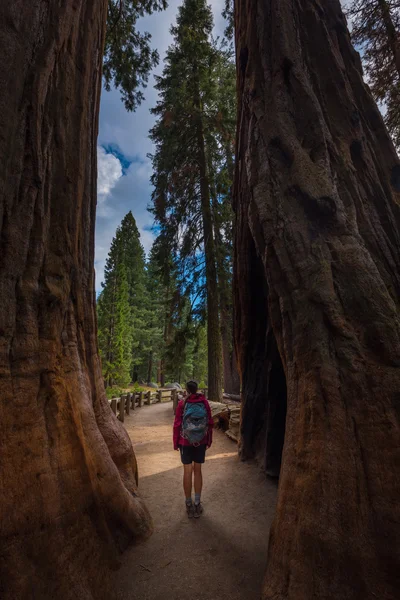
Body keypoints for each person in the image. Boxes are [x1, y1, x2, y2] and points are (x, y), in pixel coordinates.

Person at [173, 380, 213, 518]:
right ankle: (197, 503)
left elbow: (177, 424)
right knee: (198, 470)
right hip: (200, 441)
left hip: (185, 442)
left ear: (187, 390)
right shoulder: (204, 402)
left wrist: (175, 442)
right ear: (196, 390)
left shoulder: (182, 404)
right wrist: (208, 440)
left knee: (187, 471)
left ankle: (188, 504)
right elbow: (210, 422)